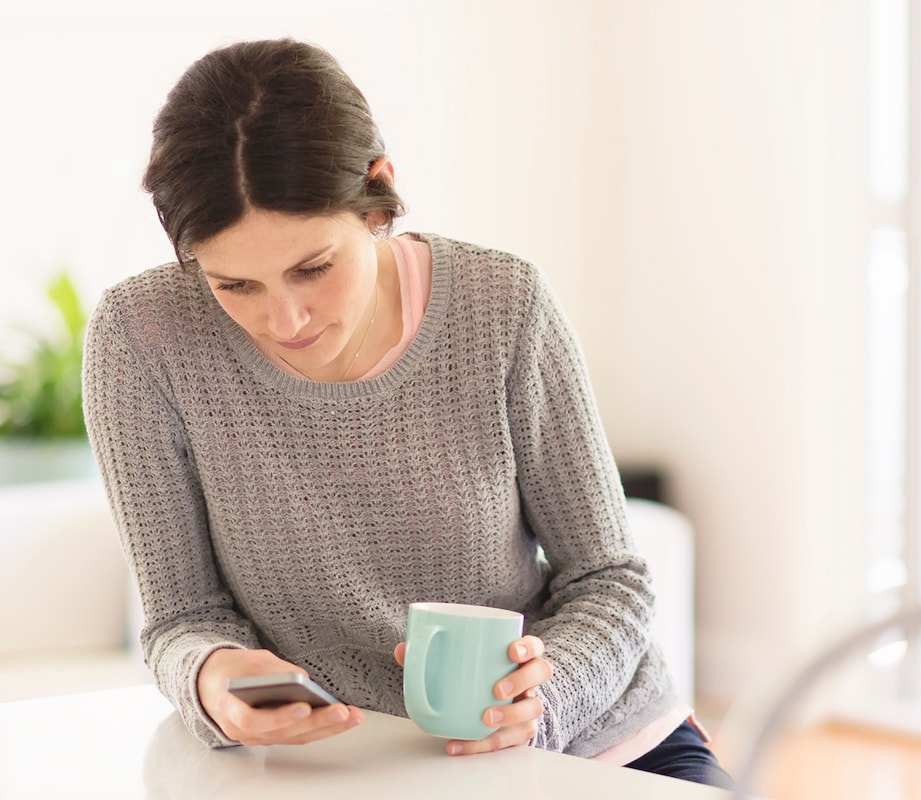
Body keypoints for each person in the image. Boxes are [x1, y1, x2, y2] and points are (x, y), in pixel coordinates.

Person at [82, 38, 733, 788]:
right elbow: (180, 617)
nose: (286, 318)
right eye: (235, 285)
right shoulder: (143, 339)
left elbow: (611, 579)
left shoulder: (504, 308)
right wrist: (212, 678)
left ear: (378, 193)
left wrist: (540, 699)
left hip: (594, 745)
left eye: (313, 267)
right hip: (341, 769)